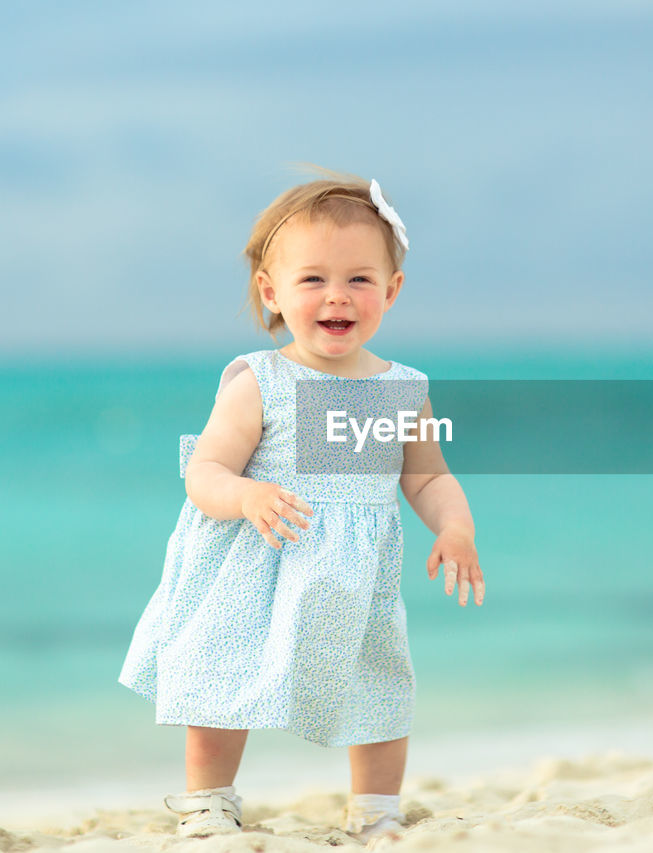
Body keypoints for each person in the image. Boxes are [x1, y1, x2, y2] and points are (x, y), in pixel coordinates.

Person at [117, 167, 485, 847]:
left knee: (380, 683)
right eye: (312, 278)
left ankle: (377, 809)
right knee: (222, 678)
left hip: (354, 577)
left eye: (358, 279)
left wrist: (455, 525)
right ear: (273, 292)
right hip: (257, 563)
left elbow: (428, 476)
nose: (336, 296)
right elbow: (206, 471)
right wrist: (246, 494)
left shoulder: (402, 390)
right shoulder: (261, 380)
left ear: (391, 290)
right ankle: (209, 801)